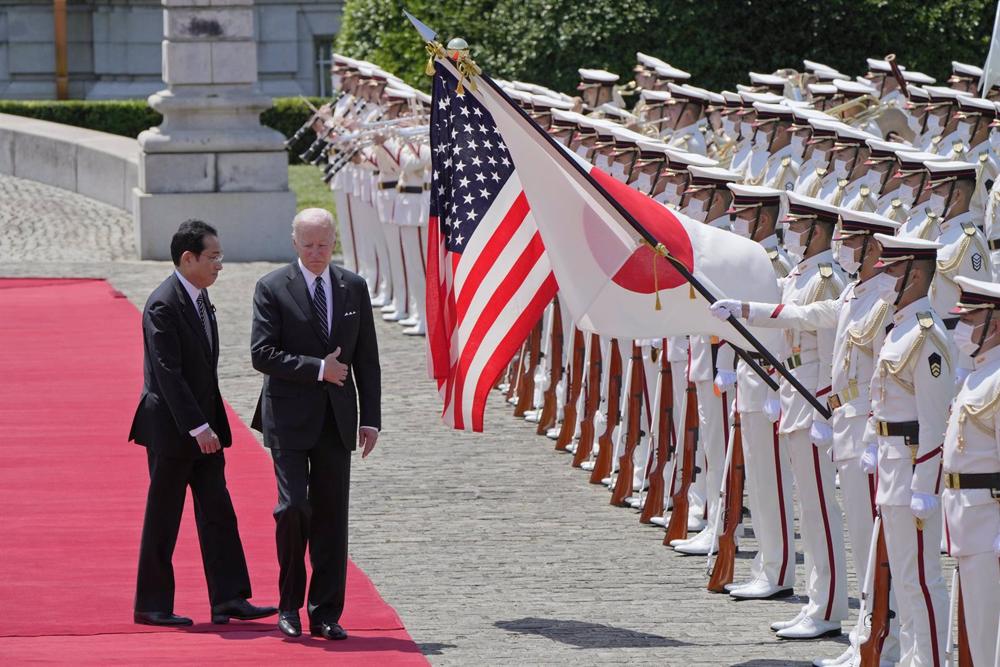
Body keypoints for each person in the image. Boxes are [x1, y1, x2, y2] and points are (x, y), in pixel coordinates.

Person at [129, 220, 277, 627]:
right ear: (187, 258)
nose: (219, 264)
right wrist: (198, 427)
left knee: (218, 511)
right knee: (164, 517)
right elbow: (167, 374)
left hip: (205, 431)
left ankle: (229, 598)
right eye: (212, 257)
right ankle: (151, 604)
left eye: (219, 256)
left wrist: (209, 425)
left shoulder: (199, 296)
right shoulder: (163, 304)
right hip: (173, 431)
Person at [250, 208, 381, 641]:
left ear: (334, 241)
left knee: (331, 517)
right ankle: (288, 604)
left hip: (336, 420)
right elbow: (262, 354)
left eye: (323, 244)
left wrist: (371, 419)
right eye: (307, 245)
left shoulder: (353, 287)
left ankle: (325, 612)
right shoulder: (272, 287)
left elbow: (367, 359)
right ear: (294, 243)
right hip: (288, 417)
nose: (316, 252)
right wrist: (318, 368)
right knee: (293, 508)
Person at [942, 276, 1000, 667]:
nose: (961, 326)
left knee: (988, 629)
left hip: (987, 518)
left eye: (970, 318)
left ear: (995, 323)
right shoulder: (980, 374)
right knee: (975, 627)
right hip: (967, 516)